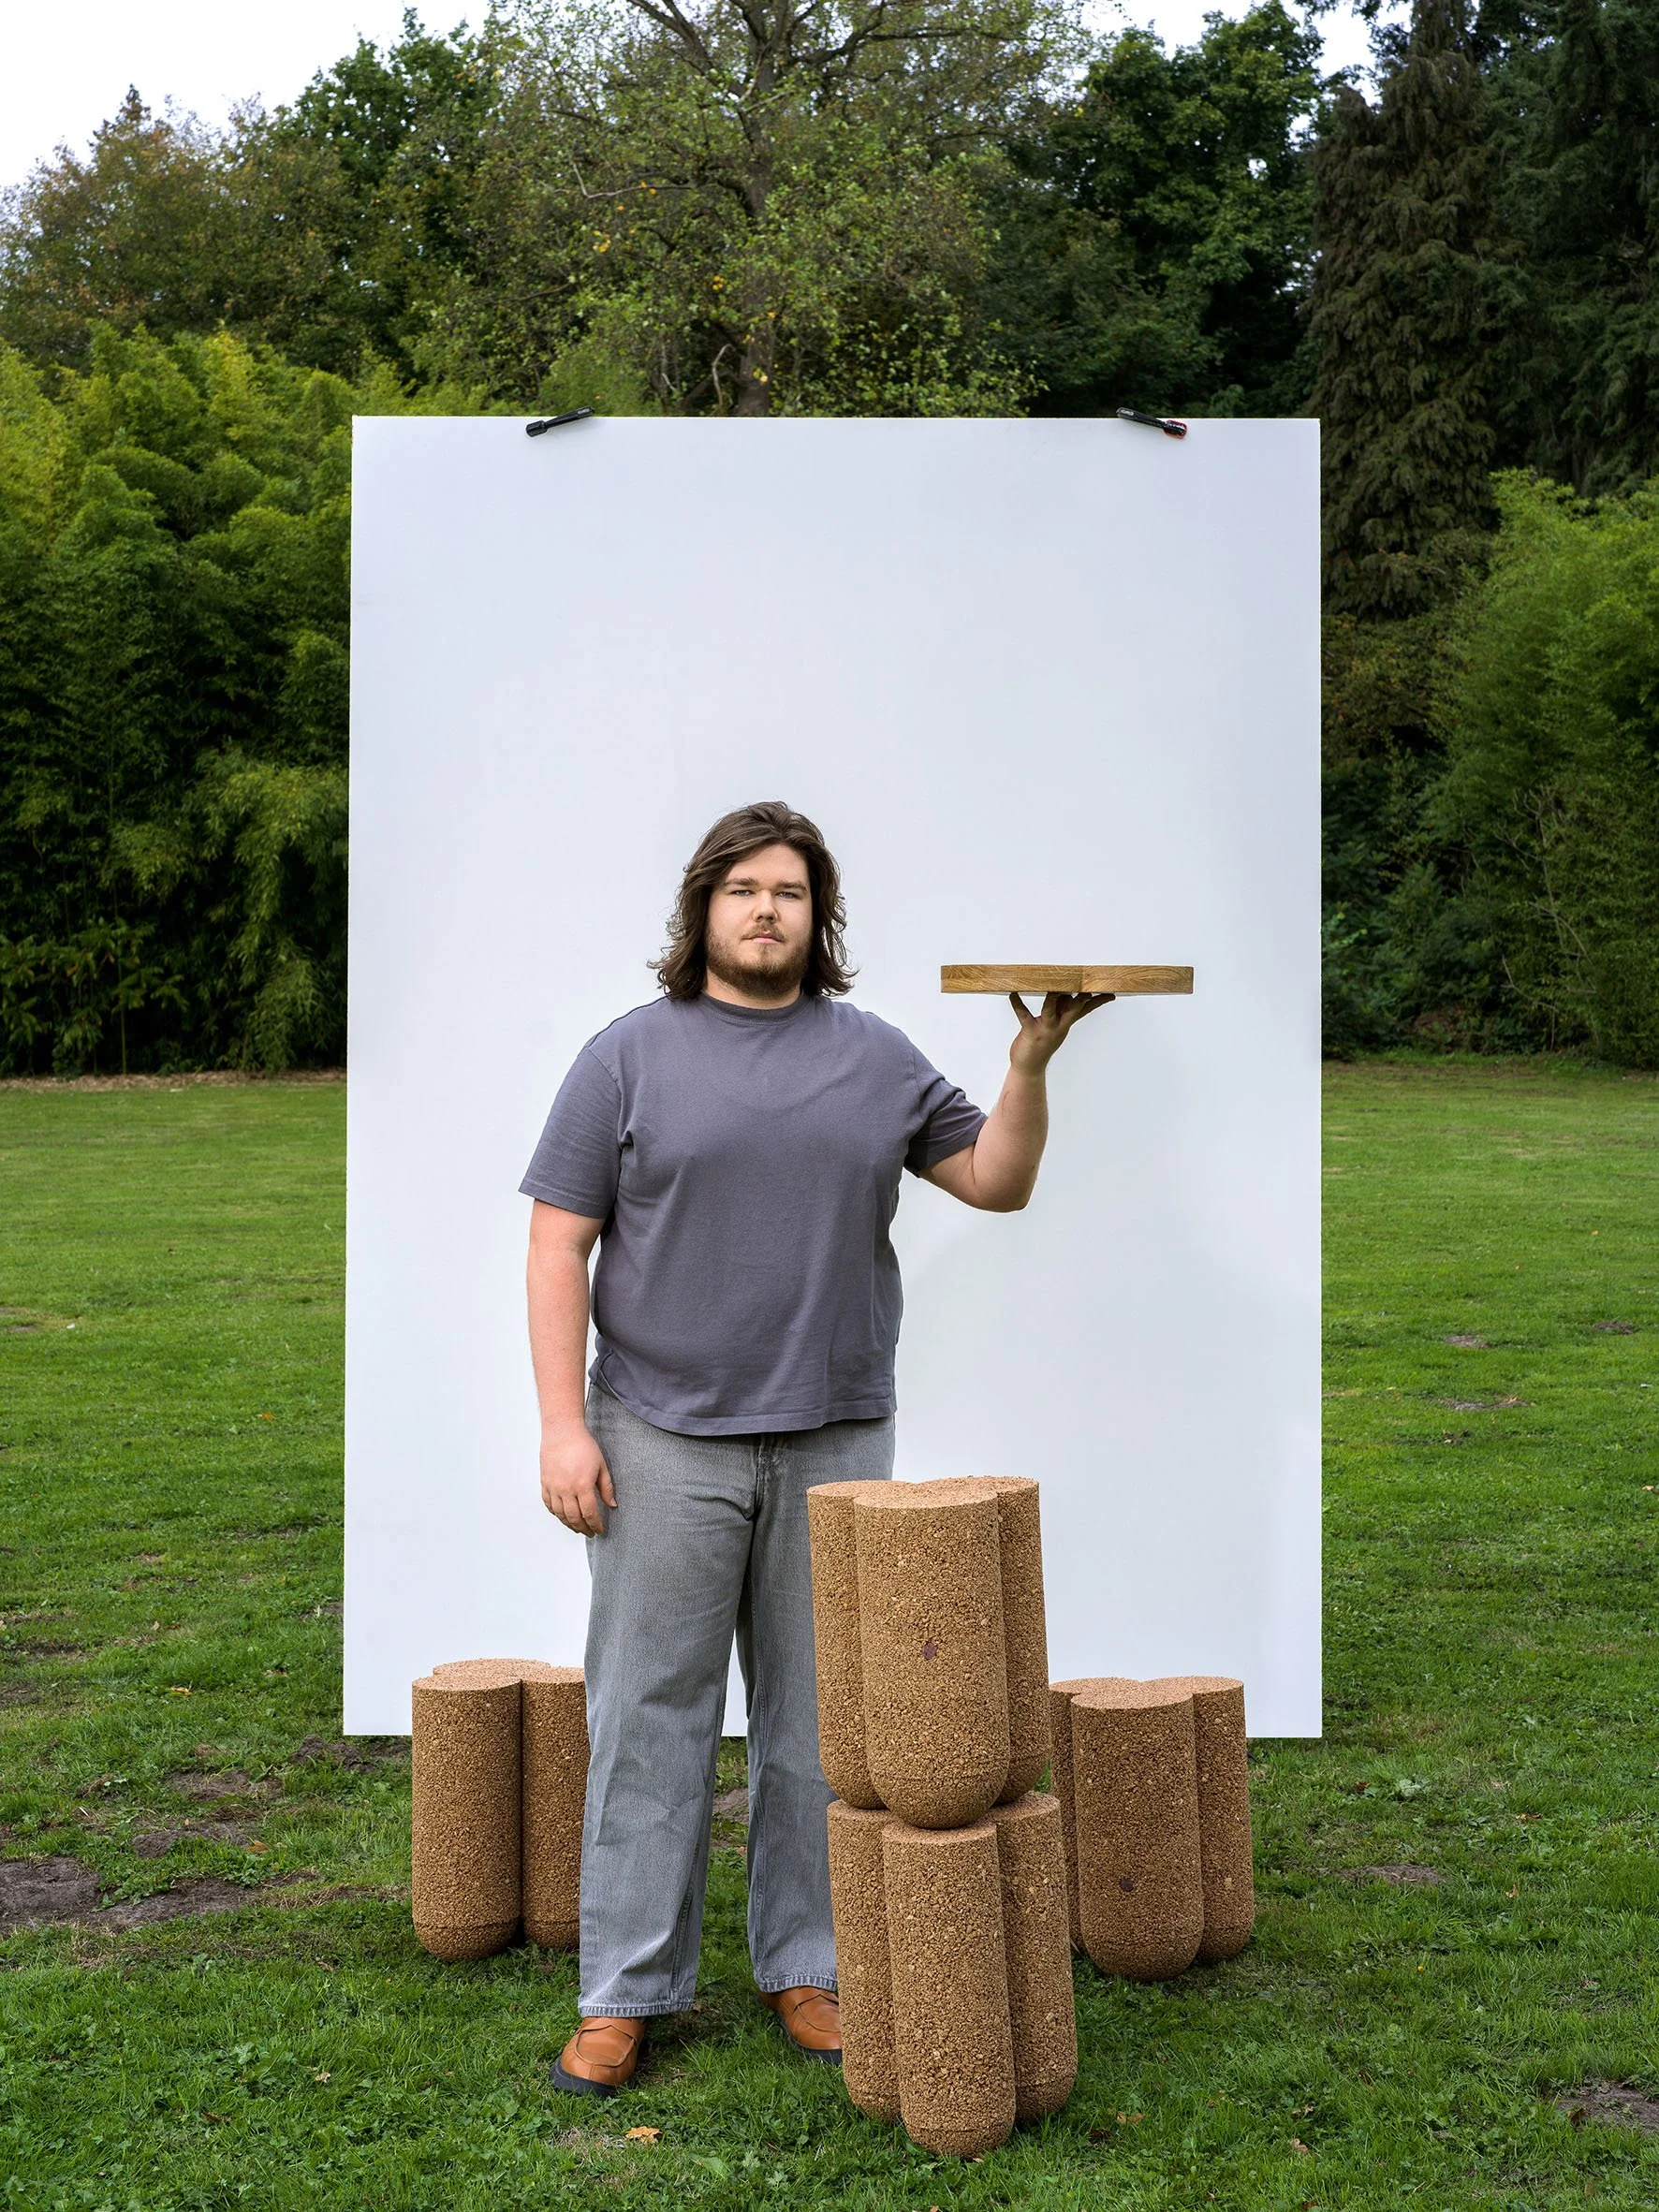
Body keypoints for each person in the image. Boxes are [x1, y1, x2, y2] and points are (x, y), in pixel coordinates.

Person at [521, 799, 1108, 2095]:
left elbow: (996, 1184)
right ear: (705, 911)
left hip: (836, 1430)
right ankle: (626, 1990)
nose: (767, 909)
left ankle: (808, 1962)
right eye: (744, 890)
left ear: (817, 913)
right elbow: (557, 1240)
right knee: (646, 1716)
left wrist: (1027, 1068)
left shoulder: (875, 1056)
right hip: (660, 1433)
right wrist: (564, 1425)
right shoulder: (624, 1057)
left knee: (816, 1727)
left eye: (789, 889)